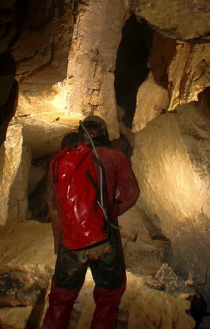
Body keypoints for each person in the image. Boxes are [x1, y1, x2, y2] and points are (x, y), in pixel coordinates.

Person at [42, 115, 140, 329]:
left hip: (71, 244)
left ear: (80, 134)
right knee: (108, 298)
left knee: (60, 300)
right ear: (103, 133)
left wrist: (59, 243)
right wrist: (110, 212)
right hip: (105, 240)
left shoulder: (58, 161)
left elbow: (53, 206)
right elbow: (131, 193)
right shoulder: (114, 156)